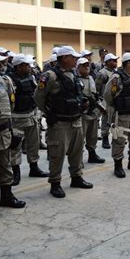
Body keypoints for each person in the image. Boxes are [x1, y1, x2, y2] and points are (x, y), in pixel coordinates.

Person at [34, 46, 93, 198]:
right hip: (60, 122)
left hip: (75, 120)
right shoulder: (50, 76)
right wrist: (49, 112)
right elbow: (38, 97)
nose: (75, 60)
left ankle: (76, 177)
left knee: (77, 151)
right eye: (73, 57)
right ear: (65, 58)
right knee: (57, 154)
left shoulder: (74, 74)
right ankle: (55, 182)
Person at [104, 52, 130, 178]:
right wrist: (116, 107)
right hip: (122, 115)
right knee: (119, 141)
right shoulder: (116, 78)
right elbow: (108, 96)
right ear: (128, 63)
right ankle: (118, 166)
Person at [0, 51, 26, 208]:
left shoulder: (3, 81)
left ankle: (6, 196)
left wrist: (10, 127)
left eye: (1, 62)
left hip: (3, 130)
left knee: (4, 164)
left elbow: (10, 105)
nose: (0, 65)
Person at [9, 54, 49, 186]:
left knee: (34, 144)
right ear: (18, 66)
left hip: (31, 116)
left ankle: (34, 168)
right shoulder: (9, 79)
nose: (29, 67)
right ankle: (16, 172)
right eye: (26, 65)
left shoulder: (31, 77)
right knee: (15, 146)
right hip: (16, 118)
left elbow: (36, 93)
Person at [77, 57, 105, 164]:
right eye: (83, 66)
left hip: (93, 111)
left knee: (92, 136)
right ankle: (78, 159)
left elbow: (95, 95)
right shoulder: (76, 80)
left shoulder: (91, 78)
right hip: (83, 113)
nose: (86, 67)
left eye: (87, 65)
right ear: (78, 67)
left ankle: (92, 154)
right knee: (80, 138)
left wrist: (100, 107)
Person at [95, 53, 119, 149]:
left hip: (115, 99)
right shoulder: (102, 73)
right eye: (114, 61)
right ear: (108, 62)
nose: (116, 62)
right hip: (105, 99)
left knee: (115, 120)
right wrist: (100, 101)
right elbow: (97, 87)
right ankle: (105, 137)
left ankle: (115, 138)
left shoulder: (116, 72)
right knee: (106, 119)